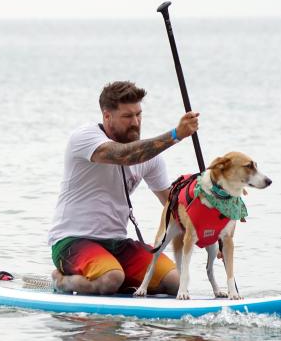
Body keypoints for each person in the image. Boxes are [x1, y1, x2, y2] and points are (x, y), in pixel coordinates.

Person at [48, 81, 200, 295]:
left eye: (139, 115)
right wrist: (175, 135)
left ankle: (120, 282)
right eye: (127, 117)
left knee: (176, 281)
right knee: (112, 278)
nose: (136, 122)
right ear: (107, 116)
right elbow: (124, 155)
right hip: (72, 241)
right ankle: (62, 281)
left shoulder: (151, 158)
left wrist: (210, 230)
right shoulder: (84, 138)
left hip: (118, 244)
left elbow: (172, 204)